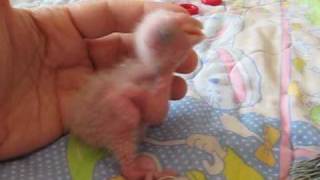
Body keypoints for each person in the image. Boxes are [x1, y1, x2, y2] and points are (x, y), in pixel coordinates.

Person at [0, 0, 198, 161]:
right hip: (106, 119)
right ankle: (129, 164)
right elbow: (153, 114)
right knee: (126, 114)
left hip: (101, 108)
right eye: (167, 35)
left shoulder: (147, 75)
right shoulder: (145, 85)